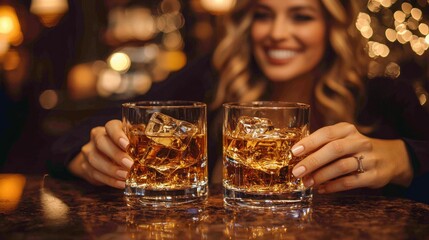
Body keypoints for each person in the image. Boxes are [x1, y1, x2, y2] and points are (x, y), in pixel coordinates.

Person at [48, 0, 429, 202]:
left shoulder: (383, 97)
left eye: (301, 17)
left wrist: (404, 159)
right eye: (264, 15)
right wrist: (88, 157)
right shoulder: (209, 80)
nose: (278, 33)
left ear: (331, 26)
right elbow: (88, 128)